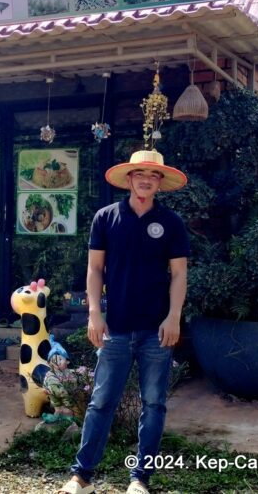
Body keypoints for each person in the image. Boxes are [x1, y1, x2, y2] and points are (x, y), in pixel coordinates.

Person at [59, 149, 189, 494]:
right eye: (140, 174)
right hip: (115, 327)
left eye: (153, 175)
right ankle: (82, 477)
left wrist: (174, 317)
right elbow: (95, 269)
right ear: (129, 178)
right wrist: (94, 313)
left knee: (154, 405)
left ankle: (140, 479)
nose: (146, 180)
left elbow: (179, 274)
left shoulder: (171, 222)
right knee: (101, 402)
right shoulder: (106, 218)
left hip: (157, 331)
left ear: (160, 182)